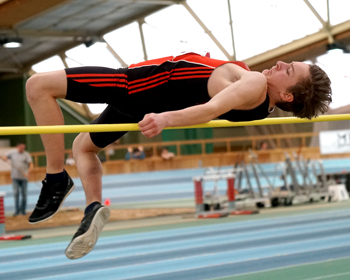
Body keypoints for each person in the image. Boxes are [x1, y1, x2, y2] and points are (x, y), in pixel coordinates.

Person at [25, 52, 332, 260]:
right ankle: (93, 207)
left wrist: (167, 119)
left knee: (38, 85)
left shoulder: (255, 83)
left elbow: (211, 110)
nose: (280, 63)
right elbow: (214, 98)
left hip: (139, 84)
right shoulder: (258, 106)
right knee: (83, 146)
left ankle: (55, 178)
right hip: (150, 98)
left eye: (288, 70)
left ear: (288, 95)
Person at [1, 143, 33, 216]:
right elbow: (4, 156)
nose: (22, 149)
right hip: (15, 178)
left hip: (24, 178)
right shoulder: (12, 152)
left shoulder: (26, 154)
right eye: (21, 147)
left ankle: (23, 211)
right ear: (18, 146)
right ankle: (17, 211)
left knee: (24, 194)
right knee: (16, 194)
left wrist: (28, 172)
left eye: (23, 148)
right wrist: (4, 158)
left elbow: (31, 164)